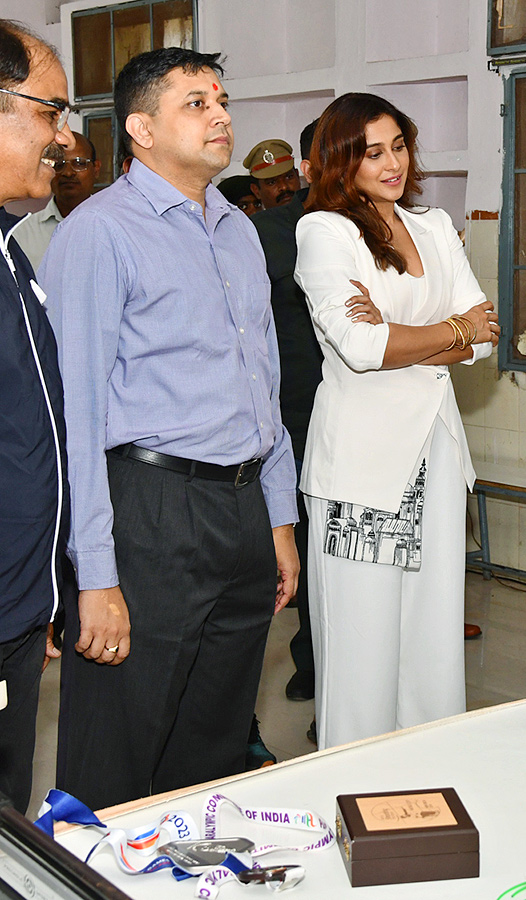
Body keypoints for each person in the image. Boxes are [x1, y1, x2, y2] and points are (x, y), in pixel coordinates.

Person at [42, 47, 299, 810]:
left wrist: (278, 519)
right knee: (116, 742)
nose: (220, 114)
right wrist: (95, 576)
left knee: (215, 737)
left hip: (242, 504)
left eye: (221, 98)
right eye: (195, 102)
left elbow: (266, 388)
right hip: (149, 507)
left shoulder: (236, 231)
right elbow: (77, 417)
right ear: (141, 129)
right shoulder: (99, 233)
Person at [294, 93, 498, 748]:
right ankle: (353, 788)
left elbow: (486, 338)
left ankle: (426, 776)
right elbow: (362, 348)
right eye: (372, 152)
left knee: (434, 636)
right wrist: (450, 330)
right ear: (341, 160)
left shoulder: (435, 225)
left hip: (434, 449)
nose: (391, 164)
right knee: (362, 648)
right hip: (363, 465)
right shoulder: (325, 232)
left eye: (399, 146)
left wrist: (415, 335)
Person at [0, 18, 73, 814]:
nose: (64, 135)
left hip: (19, 608)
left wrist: (41, 596)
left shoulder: (13, 251)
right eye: (50, 111)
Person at [253, 120, 320, 734]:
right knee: (302, 543)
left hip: (374, 415)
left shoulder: (394, 225)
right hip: (295, 413)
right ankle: (311, 657)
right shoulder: (272, 232)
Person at [11, 129, 100, 269]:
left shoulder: (113, 225)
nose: (68, 173)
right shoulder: (22, 232)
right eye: (59, 165)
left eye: (79, 163)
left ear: (96, 169)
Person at [245, 138, 300, 210]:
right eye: (272, 182)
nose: (284, 187)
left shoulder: (316, 217)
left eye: (289, 177)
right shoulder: (256, 221)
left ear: (297, 175)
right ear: (256, 191)